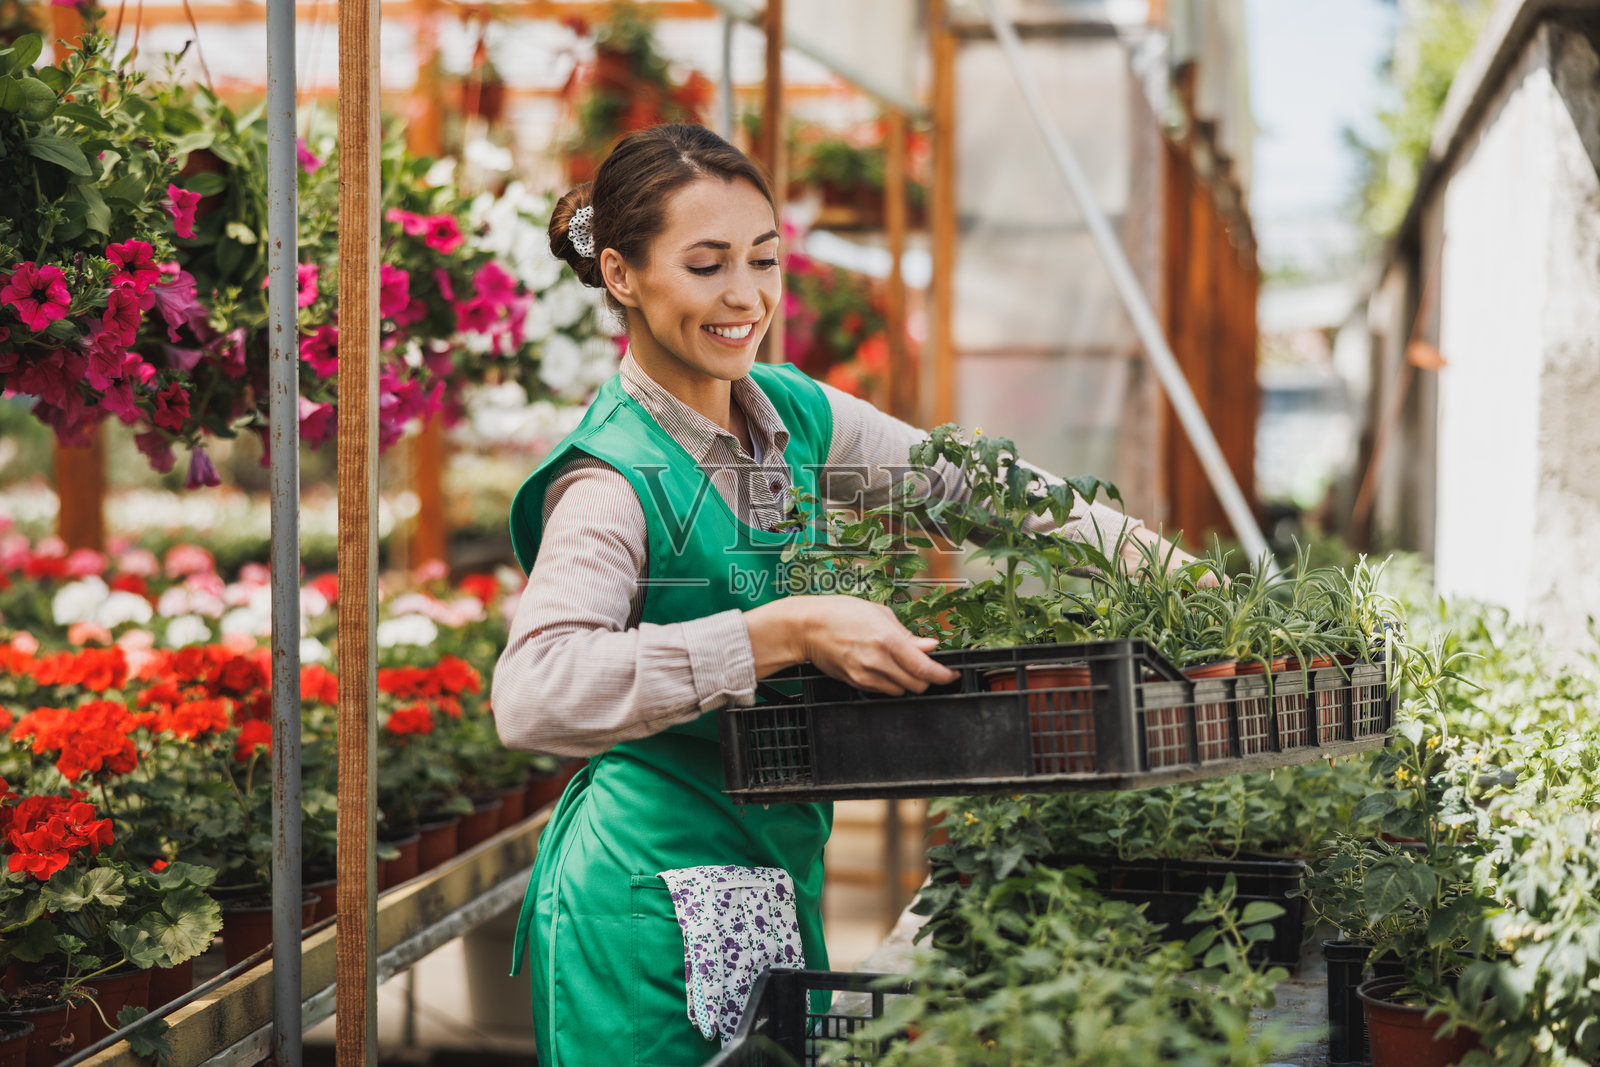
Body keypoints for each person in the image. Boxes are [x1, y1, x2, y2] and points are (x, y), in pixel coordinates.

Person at [491, 123, 1201, 1066]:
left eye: (762, 258)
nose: (745, 295)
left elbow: (965, 483)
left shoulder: (787, 416)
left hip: (771, 866)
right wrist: (783, 631)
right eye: (705, 266)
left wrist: (1155, 565)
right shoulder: (612, 481)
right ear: (621, 274)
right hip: (646, 892)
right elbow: (533, 692)